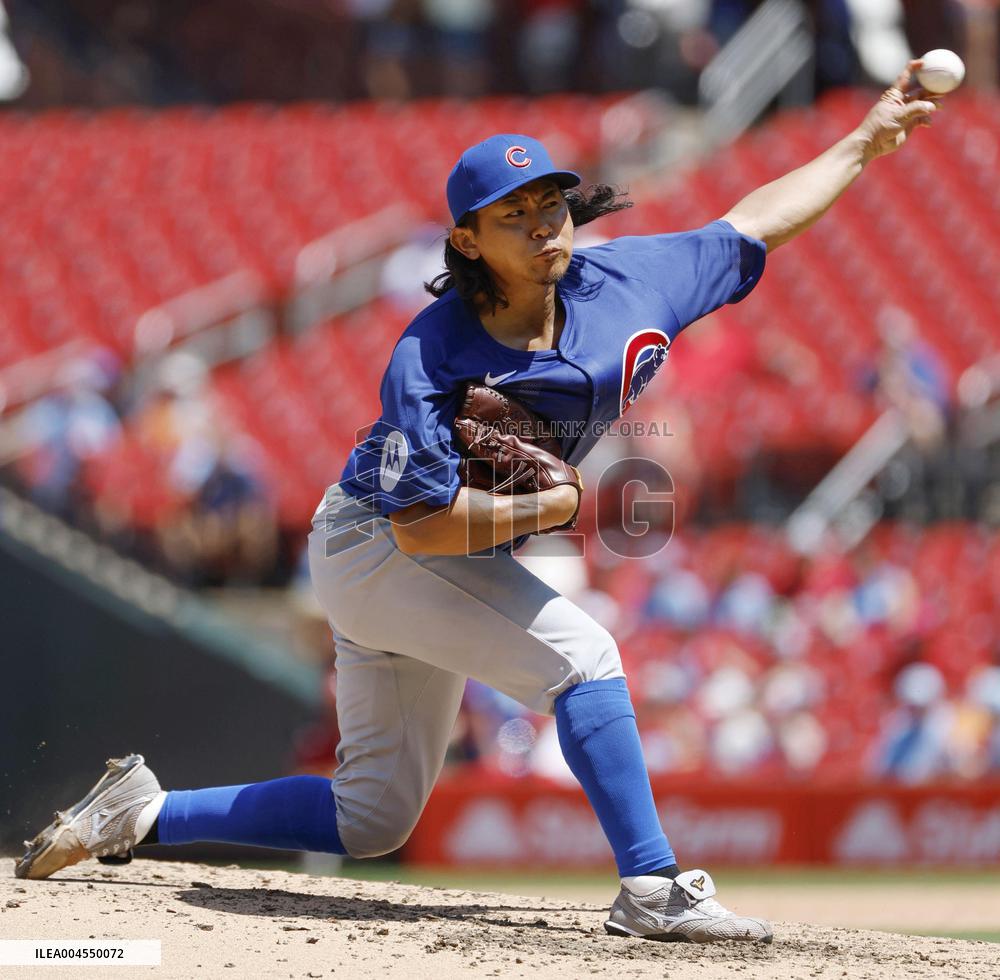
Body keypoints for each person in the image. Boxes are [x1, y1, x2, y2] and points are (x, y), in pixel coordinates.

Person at [15, 62, 940, 944]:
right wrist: (556, 505)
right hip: (380, 543)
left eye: (551, 203)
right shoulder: (432, 354)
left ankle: (141, 811)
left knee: (371, 817)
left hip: (439, 553)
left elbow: (752, 225)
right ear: (466, 240)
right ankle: (654, 886)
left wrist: (864, 140)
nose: (545, 225)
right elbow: (422, 529)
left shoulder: (629, 284)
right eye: (515, 215)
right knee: (586, 657)